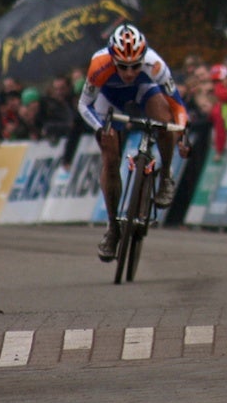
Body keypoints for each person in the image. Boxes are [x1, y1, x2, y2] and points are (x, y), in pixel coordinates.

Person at [78, 24, 189, 262]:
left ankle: (166, 175)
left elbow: (178, 105)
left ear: (143, 58)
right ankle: (113, 228)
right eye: (123, 67)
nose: (129, 72)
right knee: (110, 157)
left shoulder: (155, 64)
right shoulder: (99, 65)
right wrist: (100, 127)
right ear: (113, 58)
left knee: (163, 118)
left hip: (144, 91)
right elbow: (83, 105)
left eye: (135, 66)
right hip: (110, 100)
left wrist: (181, 132)